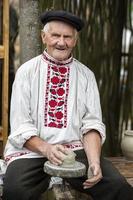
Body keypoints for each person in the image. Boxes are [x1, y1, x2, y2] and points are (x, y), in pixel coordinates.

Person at [3, 10, 133, 200]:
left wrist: (94, 161)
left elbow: (92, 124)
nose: (61, 42)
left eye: (67, 37)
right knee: (15, 192)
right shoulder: (26, 72)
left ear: (75, 40)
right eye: (55, 35)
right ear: (44, 36)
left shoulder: (86, 76)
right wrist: (47, 149)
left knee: (118, 187)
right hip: (31, 153)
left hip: (75, 152)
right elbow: (21, 126)